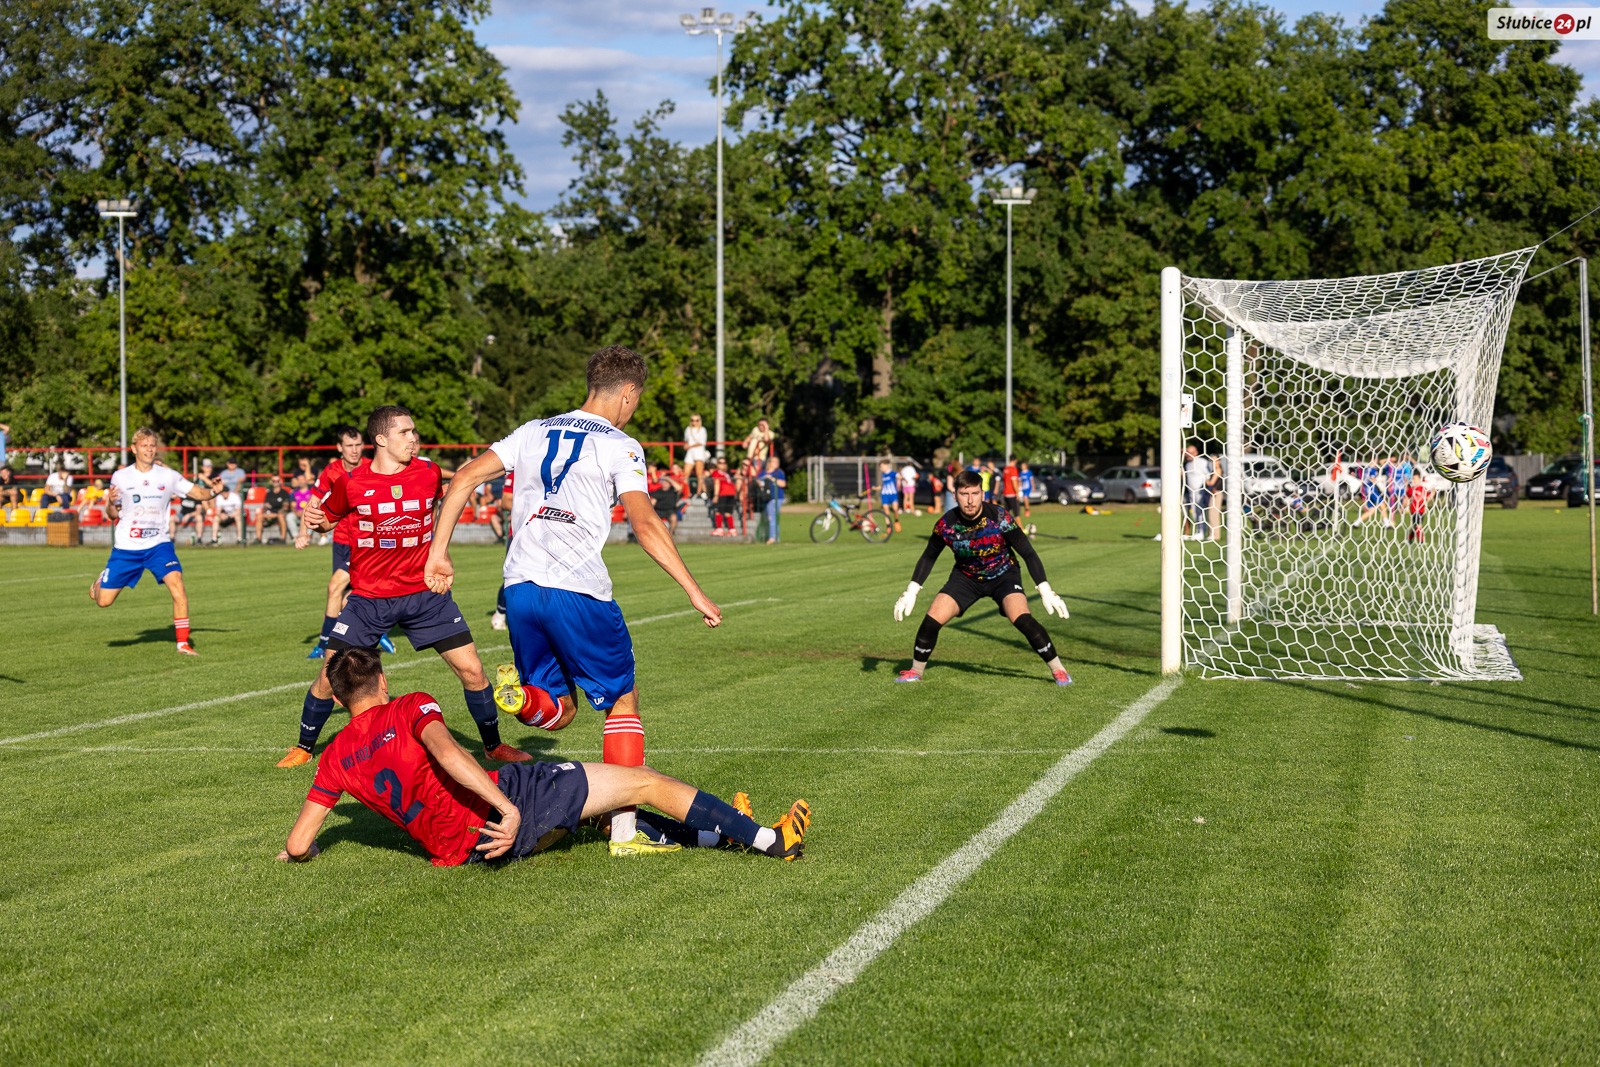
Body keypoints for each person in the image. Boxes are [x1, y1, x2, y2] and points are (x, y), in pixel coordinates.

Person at [425, 345, 724, 856]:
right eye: (637, 399)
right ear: (627, 393)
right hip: (578, 590)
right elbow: (644, 522)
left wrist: (438, 553)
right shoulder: (621, 445)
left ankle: (522, 700)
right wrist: (694, 590)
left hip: (520, 589)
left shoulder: (532, 431)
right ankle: (624, 833)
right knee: (622, 699)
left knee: (561, 709)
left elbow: (466, 476)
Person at [277, 648, 809, 865]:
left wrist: (302, 853)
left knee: (592, 803)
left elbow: (298, 844)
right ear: (382, 681)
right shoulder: (408, 705)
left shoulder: (334, 758)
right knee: (642, 780)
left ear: (338, 700)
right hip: (506, 810)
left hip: (467, 852)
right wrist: (507, 809)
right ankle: (770, 840)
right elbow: (450, 756)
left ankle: (721, 832)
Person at [277, 406, 529, 769]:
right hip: (369, 600)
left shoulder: (428, 472)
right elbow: (326, 522)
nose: (414, 438)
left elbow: (449, 501)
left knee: (473, 671)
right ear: (381, 439)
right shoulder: (352, 482)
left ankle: (492, 745)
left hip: (426, 595)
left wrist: (440, 551)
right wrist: (314, 520)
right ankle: (303, 746)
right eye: (405, 432)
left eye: (414, 431)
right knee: (329, 678)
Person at [891, 470, 1072, 686]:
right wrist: (911, 591)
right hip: (966, 578)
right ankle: (915, 671)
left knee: (1022, 618)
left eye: (974, 493)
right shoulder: (946, 524)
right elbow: (928, 557)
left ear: (982, 494)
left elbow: (1028, 553)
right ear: (955, 495)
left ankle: (1059, 670)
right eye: (964, 494)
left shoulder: (999, 517)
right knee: (931, 620)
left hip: (1004, 574)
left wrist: (1045, 590)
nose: (970, 500)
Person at [89, 427, 224, 656]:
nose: (149, 450)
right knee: (104, 601)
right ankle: (101, 581)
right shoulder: (121, 477)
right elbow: (112, 515)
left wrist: (214, 492)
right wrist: (110, 503)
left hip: (158, 545)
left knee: (177, 584)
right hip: (127, 547)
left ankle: (183, 643)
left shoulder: (168, 476)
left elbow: (197, 493)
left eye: (152, 445)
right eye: (144, 446)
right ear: (134, 449)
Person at [297, 427, 395, 659]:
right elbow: (313, 502)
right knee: (347, 596)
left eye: (358, 445)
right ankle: (374, 632)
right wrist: (303, 533)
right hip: (340, 541)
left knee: (336, 588)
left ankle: (324, 644)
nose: (354, 450)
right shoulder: (331, 471)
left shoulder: (374, 467)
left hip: (365, 543)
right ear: (339, 448)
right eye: (349, 446)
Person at [256, 474, 296, 544]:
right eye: (274, 481)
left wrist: (276, 514)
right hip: (270, 514)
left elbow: (285, 507)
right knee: (259, 516)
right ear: (271, 482)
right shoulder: (269, 493)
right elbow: (265, 505)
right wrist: (266, 511)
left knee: (280, 516)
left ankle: (283, 539)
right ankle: (258, 539)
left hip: (280, 514)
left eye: (277, 481)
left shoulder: (284, 493)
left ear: (280, 482)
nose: (275, 482)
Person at [649, 461, 683, 536]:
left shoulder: (673, 491)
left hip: (670, 510)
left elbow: (679, 488)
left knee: (674, 518)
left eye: (666, 482)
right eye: (663, 482)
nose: (665, 483)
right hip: (658, 510)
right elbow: (652, 503)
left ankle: (670, 535)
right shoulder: (658, 491)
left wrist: (667, 478)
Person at [1183, 444, 1209, 540]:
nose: (1188, 455)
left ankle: (1202, 531)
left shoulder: (1202, 462)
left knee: (1201, 511)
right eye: (1187, 453)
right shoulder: (1188, 464)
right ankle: (1198, 531)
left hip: (1201, 492)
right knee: (1194, 512)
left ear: (1196, 452)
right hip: (1191, 493)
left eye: (1190, 453)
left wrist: (1206, 488)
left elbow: (1208, 475)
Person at [709, 455, 740, 535]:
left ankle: (719, 529)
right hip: (731, 493)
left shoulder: (718, 473)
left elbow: (717, 483)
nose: (722, 464)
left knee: (718, 512)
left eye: (724, 463)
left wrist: (716, 496)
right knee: (727, 513)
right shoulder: (725, 473)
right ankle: (732, 530)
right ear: (717, 464)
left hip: (723, 493)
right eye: (720, 463)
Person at [759, 455, 787, 543]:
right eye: (774, 461)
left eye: (777, 462)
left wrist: (772, 479)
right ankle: (775, 537)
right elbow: (757, 481)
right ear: (769, 463)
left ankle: (772, 537)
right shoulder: (763, 473)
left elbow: (783, 484)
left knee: (772, 517)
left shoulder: (779, 473)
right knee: (769, 517)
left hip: (776, 498)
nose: (777, 463)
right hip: (765, 498)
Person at [683, 413, 710, 498]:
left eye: (696, 420)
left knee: (699, 474)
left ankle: (699, 492)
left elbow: (702, 442)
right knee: (685, 474)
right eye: (692, 420)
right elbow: (686, 440)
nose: (694, 422)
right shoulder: (688, 429)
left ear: (699, 421)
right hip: (690, 452)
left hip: (699, 452)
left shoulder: (702, 429)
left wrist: (690, 446)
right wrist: (686, 445)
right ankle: (687, 492)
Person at [1404, 469, 1432, 544]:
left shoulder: (1423, 489)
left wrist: (1433, 493)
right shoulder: (1412, 489)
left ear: (1419, 479)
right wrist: (1403, 507)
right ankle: (1420, 541)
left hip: (1421, 510)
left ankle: (1411, 540)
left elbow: (1428, 498)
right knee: (1417, 525)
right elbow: (1407, 496)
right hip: (1413, 510)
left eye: (1415, 479)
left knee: (1416, 526)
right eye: (1413, 479)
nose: (1414, 481)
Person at [878, 459, 902, 532]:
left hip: (893, 494)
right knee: (886, 511)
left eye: (882, 466)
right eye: (880, 467)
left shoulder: (892, 473)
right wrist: (877, 488)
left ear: (886, 466)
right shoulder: (883, 475)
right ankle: (888, 526)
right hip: (884, 495)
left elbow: (899, 476)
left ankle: (896, 521)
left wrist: (901, 478)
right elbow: (883, 485)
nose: (881, 468)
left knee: (895, 509)